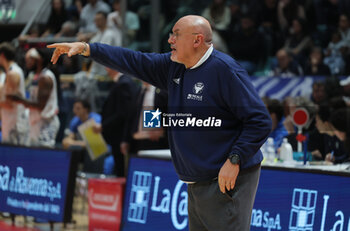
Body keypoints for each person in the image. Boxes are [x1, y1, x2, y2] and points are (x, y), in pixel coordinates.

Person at [48, 15, 272, 231]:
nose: (169, 40)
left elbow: (260, 120)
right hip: (197, 180)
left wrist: (235, 159)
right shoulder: (173, 66)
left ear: (197, 40)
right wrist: (89, 48)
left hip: (227, 177)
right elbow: (133, 60)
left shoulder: (226, 70)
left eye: (176, 35)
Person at [92, 67, 140, 177]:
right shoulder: (123, 83)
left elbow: (123, 113)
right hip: (121, 136)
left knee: (123, 172)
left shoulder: (124, 84)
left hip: (122, 136)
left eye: (107, 67)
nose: (106, 70)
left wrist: (103, 126)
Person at [7, 48, 59, 147]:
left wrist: (18, 99)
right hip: (35, 122)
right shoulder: (35, 76)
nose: (27, 62)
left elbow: (40, 106)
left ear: (39, 60)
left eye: (30, 60)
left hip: (46, 123)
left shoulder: (45, 77)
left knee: (43, 157)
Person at [0, 42, 29, 145]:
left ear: (2, 55)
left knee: (14, 159)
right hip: (11, 121)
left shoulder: (12, 73)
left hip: (15, 124)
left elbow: (10, 103)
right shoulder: (12, 71)